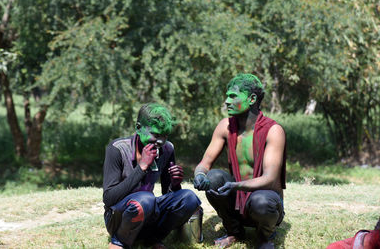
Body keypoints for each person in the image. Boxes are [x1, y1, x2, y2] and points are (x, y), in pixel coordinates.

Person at [193, 74, 286, 249]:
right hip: (238, 201)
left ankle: (265, 237)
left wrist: (235, 185)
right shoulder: (225, 126)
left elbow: (270, 178)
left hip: (265, 201)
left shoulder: (273, 130)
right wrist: (199, 175)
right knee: (213, 178)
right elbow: (204, 163)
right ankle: (234, 231)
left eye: (233, 96)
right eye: (227, 96)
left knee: (262, 202)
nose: (227, 101)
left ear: (252, 99)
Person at [103, 103, 201, 249]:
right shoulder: (117, 149)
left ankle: (152, 238)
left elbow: (168, 196)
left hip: (148, 212)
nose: (160, 141)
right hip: (119, 218)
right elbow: (109, 198)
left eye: (165, 136)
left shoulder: (167, 149)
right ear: (138, 128)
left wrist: (175, 183)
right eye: (155, 135)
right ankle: (120, 242)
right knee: (146, 199)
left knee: (189, 198)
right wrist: (142, 167)